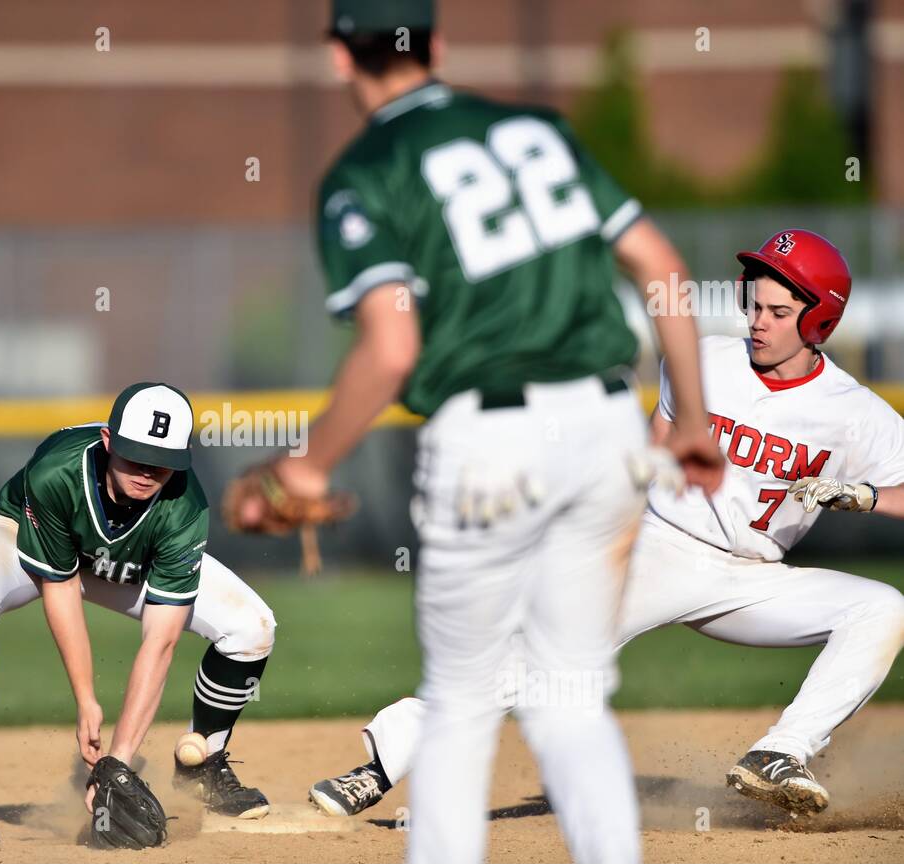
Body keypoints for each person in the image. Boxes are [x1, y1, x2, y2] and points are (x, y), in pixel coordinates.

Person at [226, 0, 722, 864]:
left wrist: (305, 467)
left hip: (488, 441)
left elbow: (391, 347)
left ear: (341, 59)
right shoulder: (537, 131)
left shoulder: (365, 170)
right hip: (610, 427)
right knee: (572, 698)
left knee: (458, 704)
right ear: (439, 45)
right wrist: (696, 420)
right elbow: (664, 268)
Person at [311, 229, 904, 821]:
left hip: (751, 577)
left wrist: (867, 495)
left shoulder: (855, 414)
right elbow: (652, 450)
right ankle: (380, 766)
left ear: (820, 322)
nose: (758, 321)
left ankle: (780, 752)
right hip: (661, 547)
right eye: (753, 304)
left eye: (779, 312)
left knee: (882, 608)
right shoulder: (706, 362)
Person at [0, 382, 275, 851]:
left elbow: (162, 641)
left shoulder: (184, 505)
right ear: (109, 440)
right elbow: (60, 586)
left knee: (252, 626)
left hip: (126, 560)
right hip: (24, 536)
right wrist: (87, 700)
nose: (146, 473)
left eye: (162, 464)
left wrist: (117, 762)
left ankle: (204, 767)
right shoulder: (58, 470)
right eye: (135, 457)